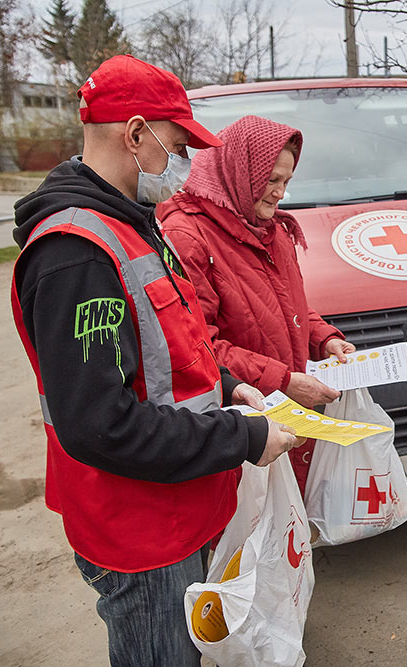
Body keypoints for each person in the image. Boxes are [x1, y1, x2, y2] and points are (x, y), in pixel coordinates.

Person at [10, 55, 301, 667]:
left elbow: (171, 346)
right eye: (175, 144)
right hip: (141, 533)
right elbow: (99, 423)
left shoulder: (134, 226)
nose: (185, 164)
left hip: (180, 506)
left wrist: (226, 387)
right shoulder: (76, 255)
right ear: (136, 134)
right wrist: (239, 437)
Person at [159, 115, 353, 494]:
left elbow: (287, 306)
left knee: (285, 539)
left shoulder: (270, 228)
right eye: (272, 180)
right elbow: (198, 346)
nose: (280, 193)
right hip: (238, 431)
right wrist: (283, 380)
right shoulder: (188, 236)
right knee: (244, 543)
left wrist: (324, 338)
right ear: (238, 170)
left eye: (287, 182)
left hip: (281, 419)